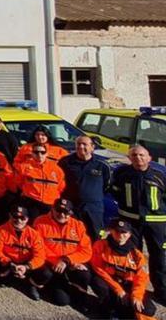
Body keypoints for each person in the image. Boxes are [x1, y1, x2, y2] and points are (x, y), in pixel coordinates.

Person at [109, 145, 166, 303]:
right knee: (132, 256)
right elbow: (114, 192)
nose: (138, 158)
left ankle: (161, 291)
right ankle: (133, 289)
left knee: (159, 257)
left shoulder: (159, 175)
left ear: (149, 158)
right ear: (129, 158)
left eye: (142, 155)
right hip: (130, 222)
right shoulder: (122, 175)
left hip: (157, 223)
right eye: (134, 155)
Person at [91, 218, 157, 320]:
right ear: (111, 231)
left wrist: (136, 296)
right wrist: (118, 290)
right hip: (109, 283)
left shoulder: (136, 254)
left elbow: (141, 278)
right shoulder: (100, 246)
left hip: (128, 285)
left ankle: (123, 310)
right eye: (117, 231)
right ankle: (110, 309)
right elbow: (98, 269)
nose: (120, 235)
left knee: (149, 310)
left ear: (129, 234)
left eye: (124, 232)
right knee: (98, 284)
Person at [33, 198, 93, 307]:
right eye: (58, 210)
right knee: (62, 301)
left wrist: (68, 260)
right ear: (52, 209)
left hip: (68, 263)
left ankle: (79, 295)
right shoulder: (40, 222)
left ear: (71, 213)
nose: (62, 214)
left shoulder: (78, 226)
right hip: (50, 264)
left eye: (66, 212)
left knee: (84, 274)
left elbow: (86, 251)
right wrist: (56, 260)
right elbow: (39, 247)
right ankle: (39, 285)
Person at [59, 135, 111, 239]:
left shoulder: (101, 165)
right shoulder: (65, 162)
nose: (81, 147)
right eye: (78, 144)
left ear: (92, 147)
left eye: (84, 144)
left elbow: (106, 185)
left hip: (94, 208)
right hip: (72, 206)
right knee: (72, 235)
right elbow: (59, 182)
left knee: (96, 235)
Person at [0, 205, 48, 301]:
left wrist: (27, 267)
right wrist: (9, 263)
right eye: (15, 217)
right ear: (10, 216)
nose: (19, 220)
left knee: (46, 273)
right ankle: (7, 277)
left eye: (22, 218)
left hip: (26, 263)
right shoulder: (0, 230)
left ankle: (31, 284)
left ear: (27, 219)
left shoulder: (34, 234)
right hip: (8, 261)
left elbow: (40, 256)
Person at [14, 143, 65, 221]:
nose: (39, 155)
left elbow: (61, 187)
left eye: (42, 152)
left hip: (50, 204)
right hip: (31, 203)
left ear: (47, 154)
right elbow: (19, 183)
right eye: (36, 152)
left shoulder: (57, 170)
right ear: (32, 153)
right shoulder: (24, 167)